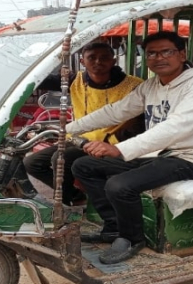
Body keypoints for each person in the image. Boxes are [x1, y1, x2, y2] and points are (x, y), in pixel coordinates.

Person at [68, 31, 193, 264]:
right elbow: (117, 111)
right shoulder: (152, 85)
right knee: (84, 165)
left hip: (192, 157)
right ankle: (113, 227)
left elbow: (177, 126)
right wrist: (70, 128)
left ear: (182, 54)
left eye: (166, 52)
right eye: (151, 53)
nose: (158, 58)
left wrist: (120, 149)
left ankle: (132, 238)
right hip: (160, 153)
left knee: (119, 185)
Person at [23, 41, 143, 206]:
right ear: (82, 61)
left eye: (104, 58)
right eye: (91, 58)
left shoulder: (134, 85)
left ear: (113, 60)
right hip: (77, 139)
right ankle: (75, 195)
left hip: (110, 144)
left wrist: (111, 142)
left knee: (61, 158)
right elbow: (36, 80)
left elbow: (138, 123)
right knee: (32, 162)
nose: (98, 62)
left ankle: (63, 207)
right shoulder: (74, 80)